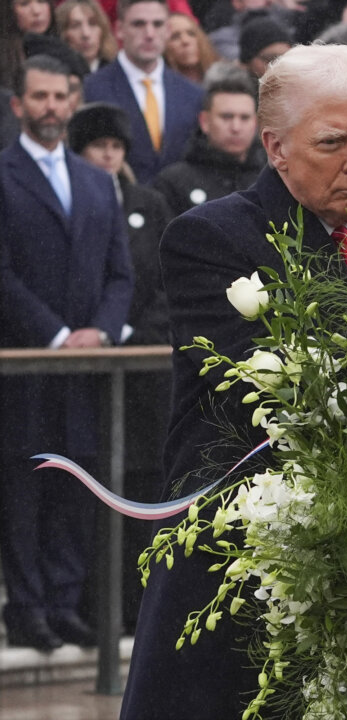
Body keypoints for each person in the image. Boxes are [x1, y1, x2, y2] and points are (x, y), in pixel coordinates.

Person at [120, 43, 347, 719]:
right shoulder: (212, 237)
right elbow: (270, 384)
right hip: (242, 556)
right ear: (275, 147)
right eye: (333, 141)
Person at [0, 55, 134, 652]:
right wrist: (56, 333)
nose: (51, 107)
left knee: (77, 484)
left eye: (59, 97)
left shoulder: (95, 179)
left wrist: (100, 332)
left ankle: (65, 600)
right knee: (25, 486)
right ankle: (27, 608)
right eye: (40, 97)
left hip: (88, 367)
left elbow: (120, 274)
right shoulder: (2, 175)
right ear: (18, 104)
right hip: (25, 365)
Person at [67, 101, 173, 631]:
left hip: (144, 376)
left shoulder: (148, 203)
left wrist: (127, 331)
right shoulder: (76, 203)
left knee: (142, 488)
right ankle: (91, 608)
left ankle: (138, 608)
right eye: (97, 147)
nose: (108, 156)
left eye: (115, 147)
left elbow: (161, 282)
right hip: (84, 369)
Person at [82, 0, 203, 184]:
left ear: (168, 29)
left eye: (157, 24)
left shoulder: (193, 94)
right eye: (139, 24)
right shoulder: (91, 89)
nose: (149, 34)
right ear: (119, 29)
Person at [152, 71, 264, 216]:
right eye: (226, 117)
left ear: (255, 123)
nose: (236, 127)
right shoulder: (173, 182)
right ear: (204, 121)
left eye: (244, 118)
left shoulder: (270, 177)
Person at [56, 0, 118, 73]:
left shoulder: (119, 72)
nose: (86, 34)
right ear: (63, 33)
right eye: (75, 26)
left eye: (92, 24)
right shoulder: (54, 74)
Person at [163, 11, 218, 84]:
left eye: (191, 34)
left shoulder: (225, 79)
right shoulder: (159, 86)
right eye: (175, 37)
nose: (185, 41)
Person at [237, 13, 291, 79]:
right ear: (247, 62)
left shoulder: (300, 85)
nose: (280, 67)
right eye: (271, 60)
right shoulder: (229, 87)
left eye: (287, 60)